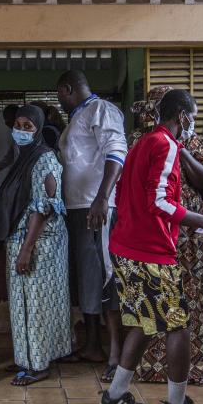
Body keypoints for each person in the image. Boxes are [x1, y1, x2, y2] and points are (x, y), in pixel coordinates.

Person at [100, 89, 203, 404]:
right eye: (194, 119)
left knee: (146, 323)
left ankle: (114, 396)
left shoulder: (142, 143)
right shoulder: (166, 145)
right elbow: (157, 201)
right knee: (179, 327)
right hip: (149, 252)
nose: (193, 126)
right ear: (183, 116)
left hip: (125, 247)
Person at [127, 86, 203, 385]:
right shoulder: (144, 142)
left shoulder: (187, 141)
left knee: (177, 308)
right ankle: (159, 383)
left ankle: (181, 377)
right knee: (158, 315)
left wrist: (183, 148)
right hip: (157, 233)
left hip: (186, 239)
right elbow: (154, 200)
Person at [0, 105, 70, 385]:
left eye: (28, 126)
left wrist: (26, 250)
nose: (21, 131)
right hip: (21, 240)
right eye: (19, 125)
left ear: (38, 130)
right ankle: (26, 358)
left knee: (36, 305)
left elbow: (44, 208)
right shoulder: (23, 158)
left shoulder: (45, 159)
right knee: (21, 305)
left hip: (39, 245)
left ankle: (39, 365)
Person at [56, 70, 127, 374]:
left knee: (104, 275)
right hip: (77, 207)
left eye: (58, 94)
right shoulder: (78, 116)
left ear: (67, 89)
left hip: (95, 207)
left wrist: (102, 198)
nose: (58, 100)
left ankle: (116, 354)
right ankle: (93, 346)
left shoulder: (102, 110)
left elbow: (116, 153)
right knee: (87, 279)